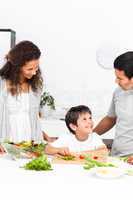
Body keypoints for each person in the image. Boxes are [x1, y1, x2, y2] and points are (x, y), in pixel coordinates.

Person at [0, 40, 56, 152]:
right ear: (17, 67)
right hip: (5, 143)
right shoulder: (2, 84)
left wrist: (43, 137)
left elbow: (32, 118)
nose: (34, 72)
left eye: (36, 68)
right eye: (30, 69)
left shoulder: (36, 87)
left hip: (30, 145)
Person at [93, 51, 133, 157]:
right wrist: (90, 136)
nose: (116, 81)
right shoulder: (118, 92)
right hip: (116, 156)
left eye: (120, 78)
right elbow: (111, 119)